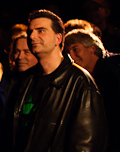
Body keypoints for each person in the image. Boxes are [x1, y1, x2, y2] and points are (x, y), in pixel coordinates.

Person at [9, 9, 107, 152]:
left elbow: (86, 144)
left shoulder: (80, 83)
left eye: (41, 30)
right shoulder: (24, 81)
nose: (32, 36)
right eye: (30, 32)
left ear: (58, 38)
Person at [65, 29, 120, 151]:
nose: (71, 56)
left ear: (92, 49)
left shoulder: (112, 69)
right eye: (68, 52)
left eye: (75, 49)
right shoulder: (82, 78)